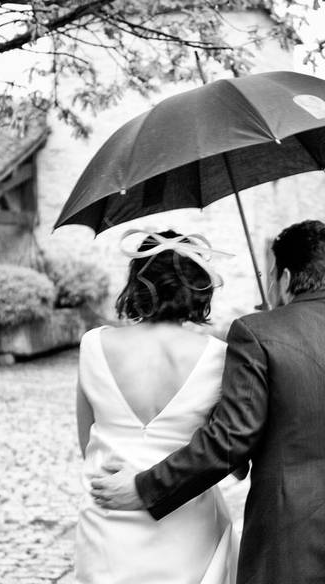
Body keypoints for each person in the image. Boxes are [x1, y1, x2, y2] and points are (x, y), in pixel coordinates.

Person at [92, 220, 325, 584]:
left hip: (297, 537)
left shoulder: (258, 333)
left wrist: (144, 488)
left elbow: (230, 441)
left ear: (285, 277)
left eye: (270, 274)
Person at [75, 229, 237, 584]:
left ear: (137, 282)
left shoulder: (93, 345)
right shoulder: (218, 357)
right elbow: (230, 458)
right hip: (186, 526)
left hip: (107, 528)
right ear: (196, 286)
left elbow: (85, 440)